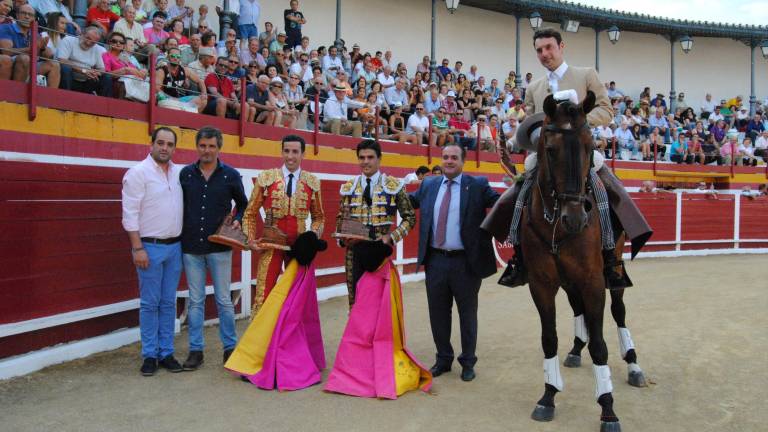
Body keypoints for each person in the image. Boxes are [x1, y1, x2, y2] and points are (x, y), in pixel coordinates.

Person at [483, 27, 652, 290]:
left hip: (580, 153)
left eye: (549, 47)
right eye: (539, 50)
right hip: (549, 156)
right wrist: (513, 140)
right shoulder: (534, 88)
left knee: (606, 188)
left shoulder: (586, 75)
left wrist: (579, 122)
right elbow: (529, 123)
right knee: (518, 194)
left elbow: (606, 110)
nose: (544, 54)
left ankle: (610, 256)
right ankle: (518, 259)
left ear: (562, 47)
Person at [409, 143, 500, 382]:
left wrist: (521, 185)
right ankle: (443, 359)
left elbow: (499, 202)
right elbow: (408, 202)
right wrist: (383, 191)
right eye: (445, 157)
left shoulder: (478, 185)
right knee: (438, 313)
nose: (448, 161)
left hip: (465, 263)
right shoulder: (429, 185)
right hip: (436, 259)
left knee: (467, 313)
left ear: (463, 161)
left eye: (453, 158)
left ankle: (468, 361)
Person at [179, 126, 248, 371]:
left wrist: (238, 217)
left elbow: (243, 204)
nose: (206, 150)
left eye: (211, 146)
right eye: (203, 146)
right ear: (197, 147)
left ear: (219, 148)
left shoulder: (230, 175)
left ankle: (230, 348)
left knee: (223, 300)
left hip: (219, 246)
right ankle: (196, 351)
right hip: (191, 246)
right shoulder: (186, 174)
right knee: (196, 301)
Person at [121, 127, 184, 376]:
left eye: (169, 144)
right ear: (151, 144)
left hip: (175, 246)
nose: (164, 148)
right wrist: (137, 247)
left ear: (174, 148)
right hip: (149, 246)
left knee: (168, 302)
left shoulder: (179, 173)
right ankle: (149, 354)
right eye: (160, 143)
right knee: (150, 303)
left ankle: (166, 352)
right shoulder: (138, 173)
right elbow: (130, 214)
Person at [240, 135, 325, 314]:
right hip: (271, 246)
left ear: (303, 154)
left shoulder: (312, 182)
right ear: (282, 152)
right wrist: (249, 239)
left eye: (295, 152)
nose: (290, 156)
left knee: (297, 299)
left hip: (299, 249)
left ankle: (291, 341)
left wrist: (312, 237)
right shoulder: (266, 178)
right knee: (263, 297)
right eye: (286, 151)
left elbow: (319, 217)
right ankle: (263, 342)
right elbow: (249, 213)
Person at [335, 139, 416, 307]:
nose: (365, 161)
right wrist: (342, 237)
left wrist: (391, 237)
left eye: (370, 157)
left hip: (379, 250)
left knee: (379, 302)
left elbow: (410, 218)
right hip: (354, 251)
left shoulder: (394, 185)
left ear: (379, 159)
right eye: (362, 157)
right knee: (355, 300)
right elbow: (341, 218)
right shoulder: (349, 186)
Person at [0, 4, 60, 88]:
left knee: (55, 65)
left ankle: (50, 99)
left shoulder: (35, 33)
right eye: (24, 13)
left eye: (30, 15)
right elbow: (6, 51)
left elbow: (48, 56)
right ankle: (17, 96)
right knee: (25, 58)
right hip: (13, 62)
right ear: (17, 15)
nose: (27, 17)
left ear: (34, 19)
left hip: (31, 64)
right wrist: (32, 49)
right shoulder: (6, 28)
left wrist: (43, 48)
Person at [57, 25, 112, 96]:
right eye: (88, 38)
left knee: (107, 77)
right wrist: (83, 71)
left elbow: (102, 69)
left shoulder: (98, 49)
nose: (88, 43)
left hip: (87, 82)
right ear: (81, 34)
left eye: (93, 42)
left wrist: (96, 73)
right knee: (65, 68)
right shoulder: (68, 40)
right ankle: (64, 98)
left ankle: (104, 105)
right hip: (69, 78)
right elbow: (62, 60)